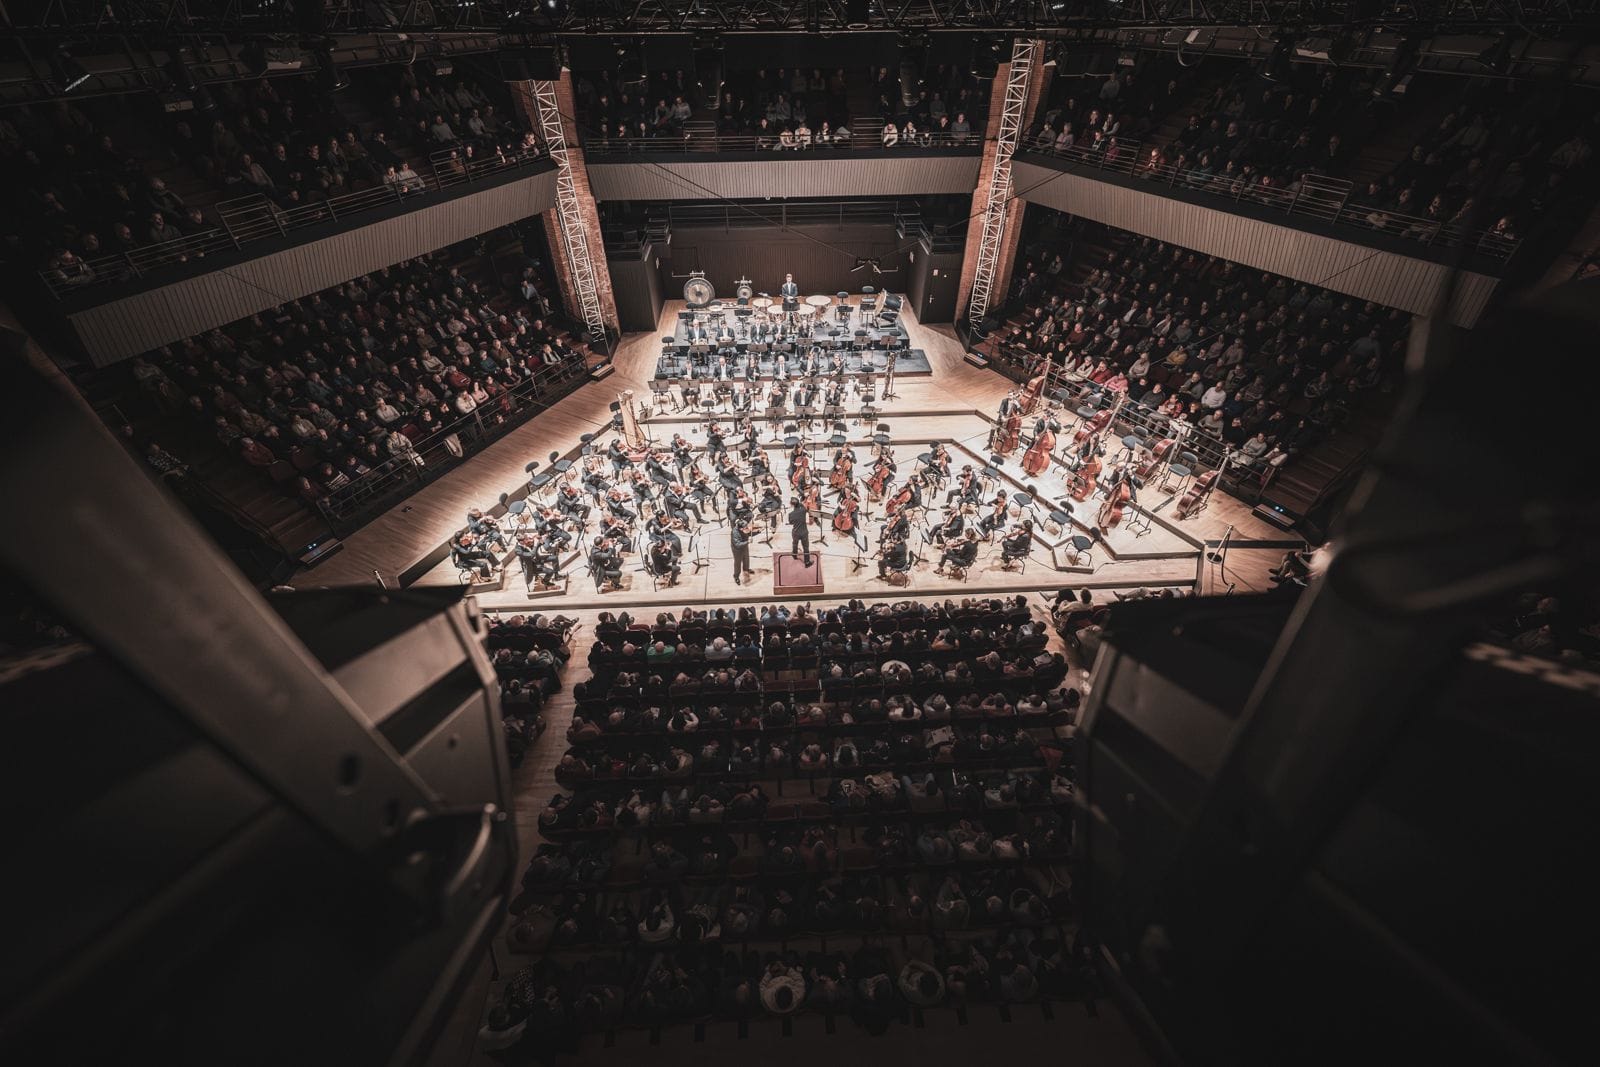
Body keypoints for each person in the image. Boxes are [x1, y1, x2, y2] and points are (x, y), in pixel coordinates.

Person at [788, 497, 812, 567]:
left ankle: (794, 555)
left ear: (792, 505)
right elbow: (804, 507)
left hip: (795, 532)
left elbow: (791, 522)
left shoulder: (791, 514)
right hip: (804, 532)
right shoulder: (803, 510)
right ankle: (807, 562)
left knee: (795, 544)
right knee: (806, 547)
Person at [731, 518, 754, 586]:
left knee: (746, 559)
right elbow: (737, 544)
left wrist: (758, 531)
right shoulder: (735, 533)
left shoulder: (743, 529)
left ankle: (746, 569)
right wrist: (747, 542)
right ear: (740, 528)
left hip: (744, 546)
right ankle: (736, 576)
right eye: (745, 527)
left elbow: (748, 532)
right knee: (737, 563)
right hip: (737, 550)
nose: (747, 528)